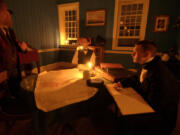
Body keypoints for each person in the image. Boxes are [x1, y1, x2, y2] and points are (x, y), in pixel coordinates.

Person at [114, 40, 179, 135]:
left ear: (147, 54)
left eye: (135, 52)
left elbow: (155, 104)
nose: (132, 54)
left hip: (160, 118)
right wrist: (121, 83)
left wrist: (130, 98)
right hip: (150, 105)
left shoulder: (160, 74)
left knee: (124, 120)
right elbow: (136, 78)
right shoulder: (148, 63)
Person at [0, 0, 32, 98]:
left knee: (18, 98)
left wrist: (24, 48)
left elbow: (16, 46)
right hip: (3, 76)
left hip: (15, 72)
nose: (9, 16)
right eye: (6, 12)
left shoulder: (10, 31)